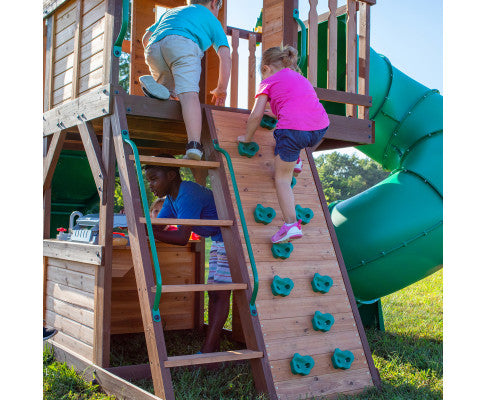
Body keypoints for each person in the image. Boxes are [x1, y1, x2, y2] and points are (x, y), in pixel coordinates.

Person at [238, 46, 330, 244]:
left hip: (293, 131)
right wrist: (279, 112)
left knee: (282, 179)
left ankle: (290, 224)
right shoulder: (301, 79)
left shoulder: (268, 81)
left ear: (266, 68)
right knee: (296, 140)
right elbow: (300, 105)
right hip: (320, 128)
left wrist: (247, 137)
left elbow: (256, 116)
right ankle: (296, 160)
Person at [145, 157, 231, 353]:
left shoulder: (187, 193)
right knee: (214, 292)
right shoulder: (172, 199)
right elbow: (160, 225)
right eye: (148, 181)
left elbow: (182, 237)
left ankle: (208, 350)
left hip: (231, 238)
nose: (150, 185)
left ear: (171, 176)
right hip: (219, 239)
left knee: (222, 293)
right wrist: (139, 228)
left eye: (153, 179)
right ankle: (213, 344)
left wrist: (147, 233)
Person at [141, 0, 231, 160]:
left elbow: (145, 38)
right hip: (183, 44)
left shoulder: (173, 11)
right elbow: (224, 55)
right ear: (214, 3)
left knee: (169, 92)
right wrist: (221, 88)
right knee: (188, 94)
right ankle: (194, 145)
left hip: (154, 47)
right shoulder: (211, 19)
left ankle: (160, 92)